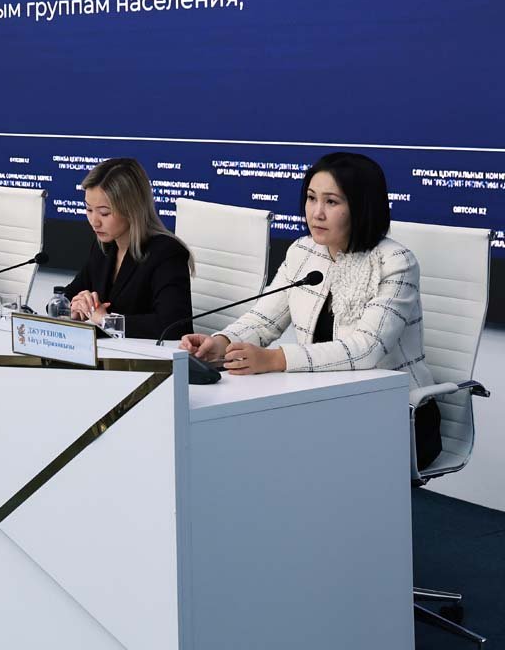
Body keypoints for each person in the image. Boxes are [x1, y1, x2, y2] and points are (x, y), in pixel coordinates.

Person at [178, 152, 440, 465]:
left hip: (394, 414)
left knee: (278, 454)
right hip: (324, 402)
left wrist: (276, 359)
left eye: (332, 202)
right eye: (312, 198)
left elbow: (367, 349)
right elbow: (263, 320)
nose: (317, 213)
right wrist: (222, 342)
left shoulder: (396, 262)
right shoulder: (303, 251)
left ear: (361, 206)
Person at [63, 158, 193, 339]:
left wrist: (107, 321)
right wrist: (76, 306)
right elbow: (67, 295)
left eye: (104, 213)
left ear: (132, 210)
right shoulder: (104, 247)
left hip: (145, 355)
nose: (94, 222)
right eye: (89, 210)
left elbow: (173, 326)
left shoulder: (167, 252)